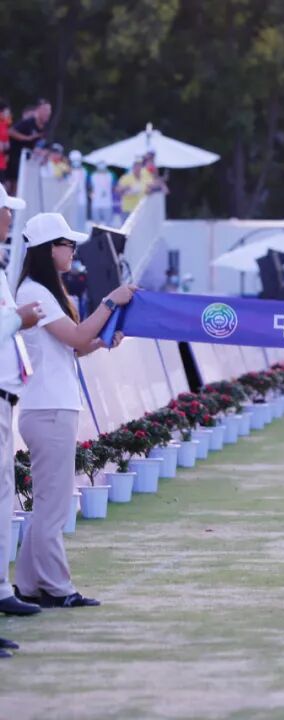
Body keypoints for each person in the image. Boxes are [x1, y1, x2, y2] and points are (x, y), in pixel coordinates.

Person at [13, 212, 136, 609]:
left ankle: (30, 585)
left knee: (49, 504)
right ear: (49, 249)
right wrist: (109, 302)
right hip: (49, 408)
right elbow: (78, 336)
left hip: (51, 406)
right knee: (53, 505)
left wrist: (103, 341)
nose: (72, 251)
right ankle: (57, 588)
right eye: (68, 245)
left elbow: (77, 346)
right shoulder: (34, 291)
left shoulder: (45, 291)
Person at [0, 186, 47, 642]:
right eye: (5, 211)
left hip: (5, 396)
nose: (9, 219)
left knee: (3, 497)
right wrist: (19, 318)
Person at [7, 100, 50, 189]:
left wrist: (43, 152)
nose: (48, 113)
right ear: (38, 110)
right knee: (12, 185)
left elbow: (41, 144)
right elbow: (11, 131)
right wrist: (27, 138)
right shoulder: (28, 123)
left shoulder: (44, 128)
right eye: (45, 110)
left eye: (49, 110)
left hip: (27, 161)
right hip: (15, 157)